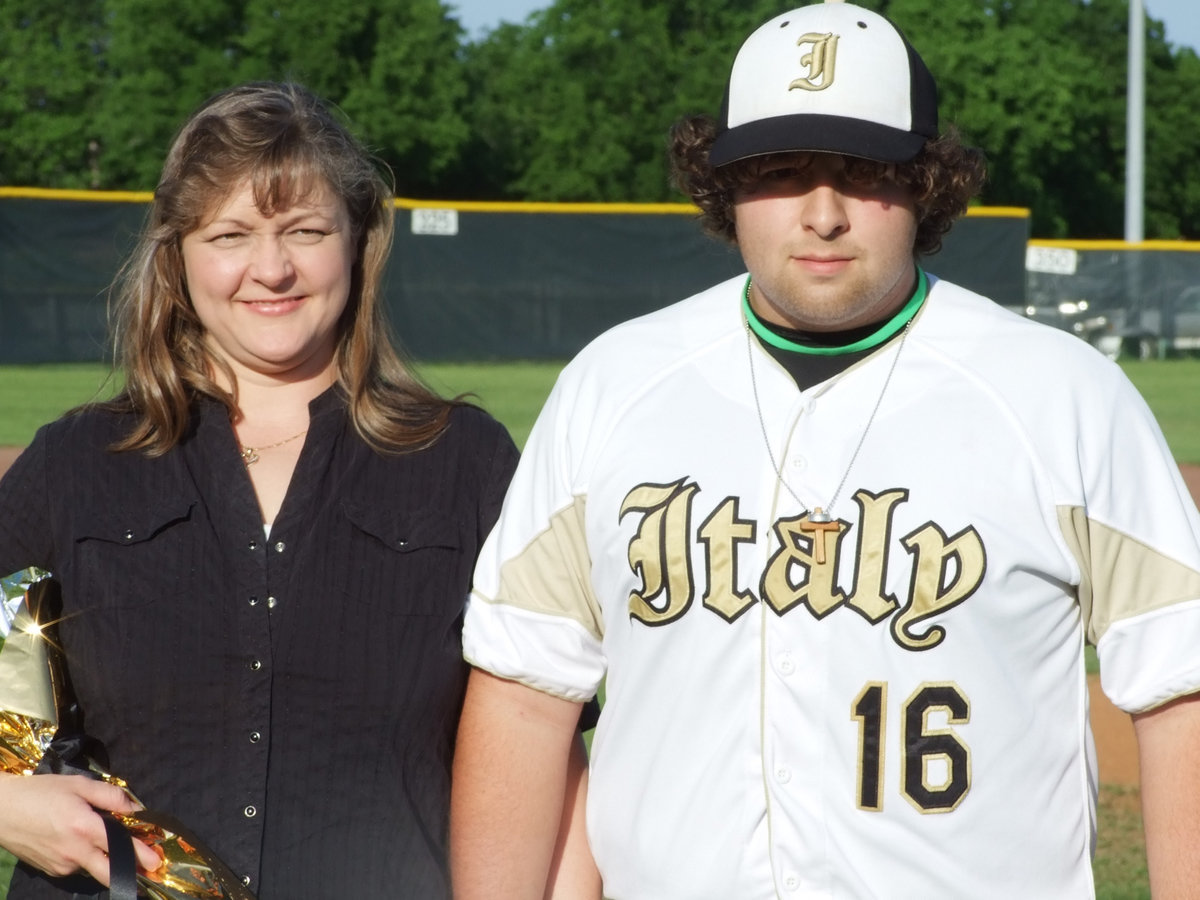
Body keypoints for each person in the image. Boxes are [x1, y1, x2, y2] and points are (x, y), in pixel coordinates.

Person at [450, 3, 1200, 898]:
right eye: (781, 170)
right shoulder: (612, 387)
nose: (823, 212)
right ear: (721, 185)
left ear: (927, 182)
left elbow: (1181, 691)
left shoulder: (1060, 396)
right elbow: (527, 693)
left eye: (862, 170)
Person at [0, 81, 596, 899]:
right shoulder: (75, 463)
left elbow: (551, 764)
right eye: (231, 234)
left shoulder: (466, 463)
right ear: (177, 256)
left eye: (305, 231)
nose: (271, 268)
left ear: (357, 243)